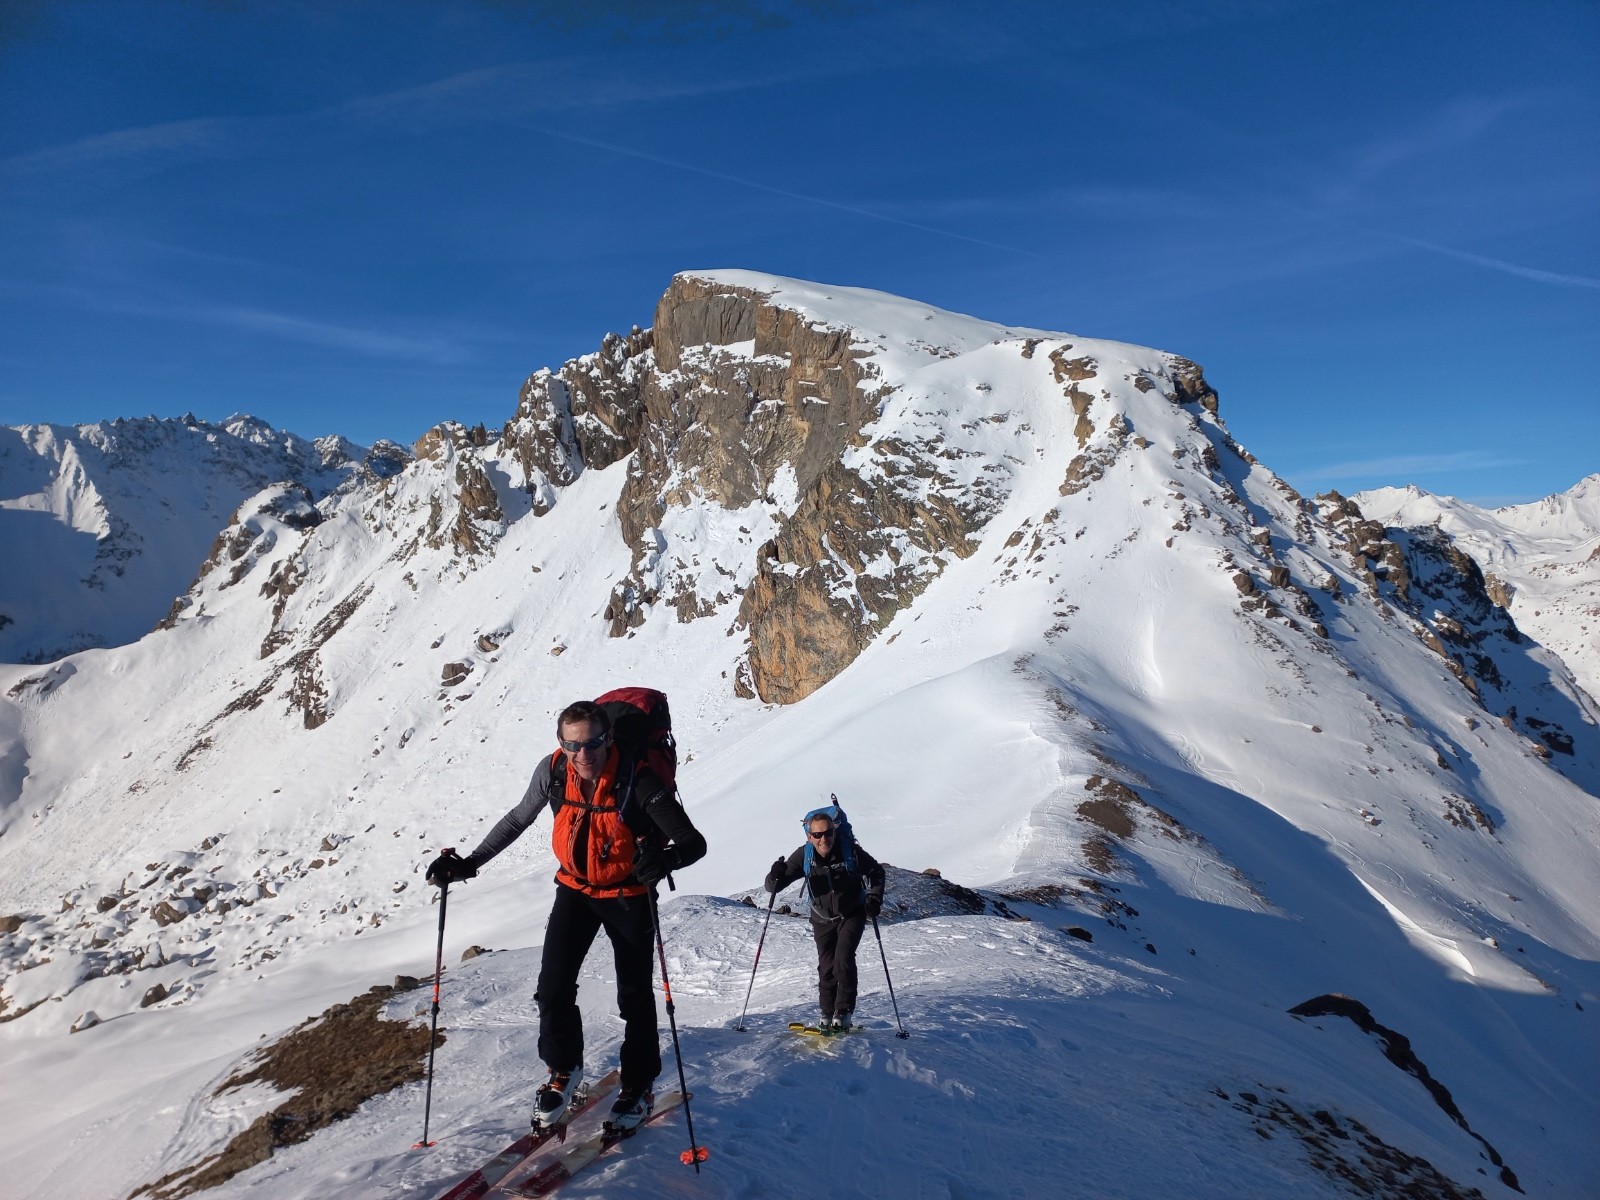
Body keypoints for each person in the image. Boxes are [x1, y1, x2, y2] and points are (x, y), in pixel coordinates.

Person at [425, 699, 706, 1132]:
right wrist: (470, 863)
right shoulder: (554, 770)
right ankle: (564, 1069)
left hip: (629, 896)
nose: (583, 754)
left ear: (607, 739)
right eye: (573, 745)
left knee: (633, 997)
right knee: (553, 988)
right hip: (575, 891)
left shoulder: (637, 778)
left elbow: (692, 842)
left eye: (592, 743)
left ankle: (639, 1085)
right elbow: (518, 819)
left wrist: (666, 860)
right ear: (561, 743)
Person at [764, 806, 885, 1031]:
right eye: (817, 834)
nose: (823, 839)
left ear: (834, 832)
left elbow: (876, 872)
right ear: (809, 836)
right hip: (821, 918)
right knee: (826, 966)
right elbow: (773, 887)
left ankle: (843, 1011)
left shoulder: (850, 851)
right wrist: (775, 874)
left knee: (843, 960)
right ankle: (827, 1012)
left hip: (852, 913)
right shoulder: (804, 855)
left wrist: (874, 899)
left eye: (828, 833)